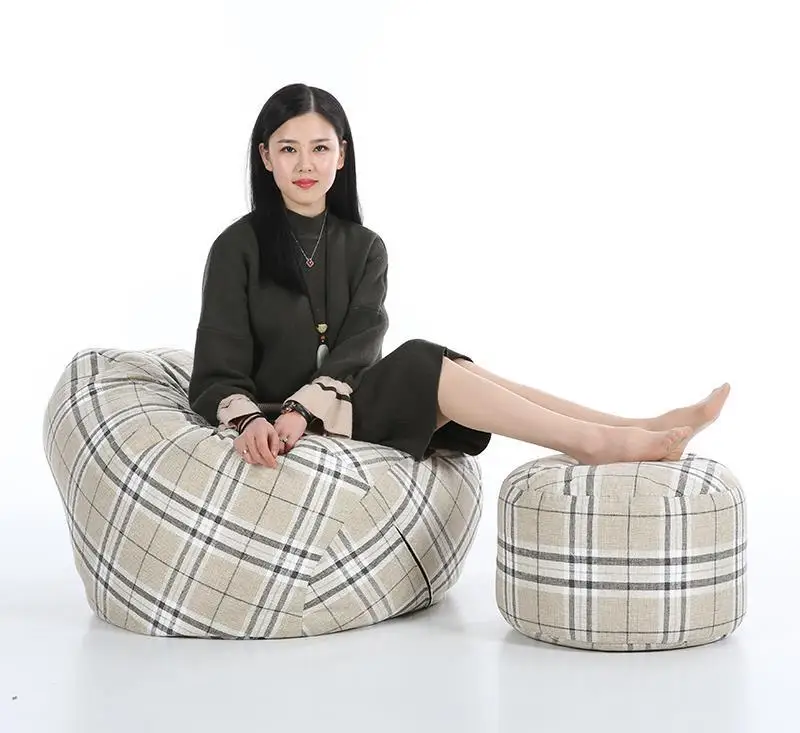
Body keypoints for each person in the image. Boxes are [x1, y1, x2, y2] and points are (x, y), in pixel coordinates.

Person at [188, 83, 730, 469]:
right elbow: (216, 371)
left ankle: (634, 426)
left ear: (342, 156)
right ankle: (593, 443)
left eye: (320, 148)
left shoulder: (365, 247)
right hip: (285, 416)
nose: (305, 164)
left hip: (337, 399)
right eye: (288, 149)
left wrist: (307, 405)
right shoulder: (237, 247)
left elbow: (359, 348)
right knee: (423, 361)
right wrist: (257, 420)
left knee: (456, 368)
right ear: (266, 158)